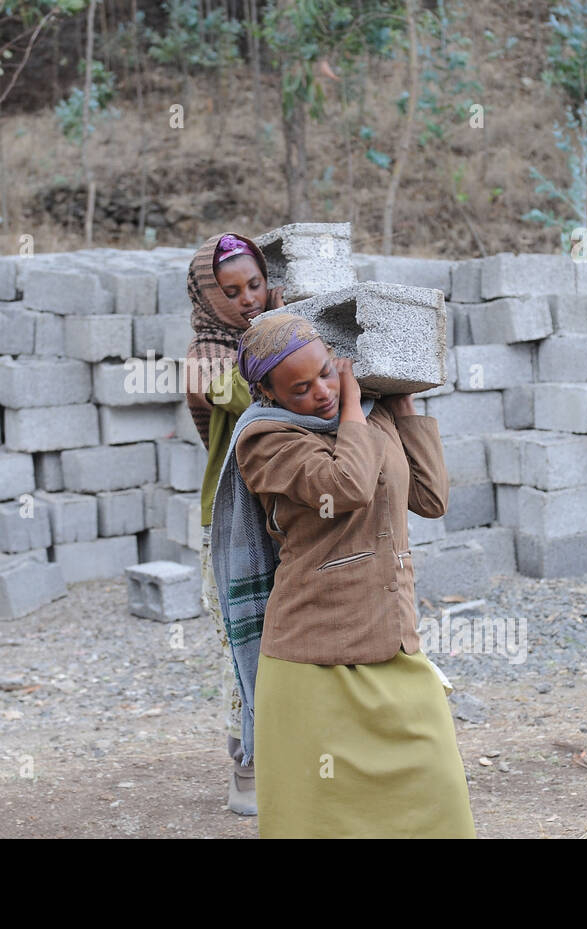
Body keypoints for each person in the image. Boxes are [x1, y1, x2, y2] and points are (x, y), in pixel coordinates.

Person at [210, 313, 475, 838]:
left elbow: (432, 498)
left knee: (437, 799)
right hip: (313, 662)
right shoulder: (265, 441)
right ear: (267, 392)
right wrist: (355, 403)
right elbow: (346, 486)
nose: (323, 394)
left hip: (393, 644)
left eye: (328, 373)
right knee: (321, 822)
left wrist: (401, 404)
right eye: (301, 388)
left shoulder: (371, 419)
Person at [183, 232, 283, 816]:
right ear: (208, 299)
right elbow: (258, 394)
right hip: (230, 526)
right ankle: (245, 767)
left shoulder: (274, 333)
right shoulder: (209, 361)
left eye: (255, 285)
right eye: (231, 291)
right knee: (241, 643)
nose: (248, 299)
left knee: (275, 639)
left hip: (277, 517)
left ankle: (280, 751)